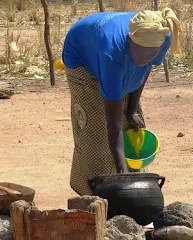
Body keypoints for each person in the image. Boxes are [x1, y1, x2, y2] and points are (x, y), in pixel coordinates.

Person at [61, 8, 182, 196]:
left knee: (131, 127)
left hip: (111, 51)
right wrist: (121, 172)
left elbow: (144, 70)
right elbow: (112, 121)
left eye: (150, 53)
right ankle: (93, 196)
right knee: (96, 130)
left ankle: (133, 186)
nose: (143, 57)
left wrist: (132, 109)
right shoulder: (112, 52)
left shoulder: (162, 37)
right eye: (140, 51)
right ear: (130, 39)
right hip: (81, 57)